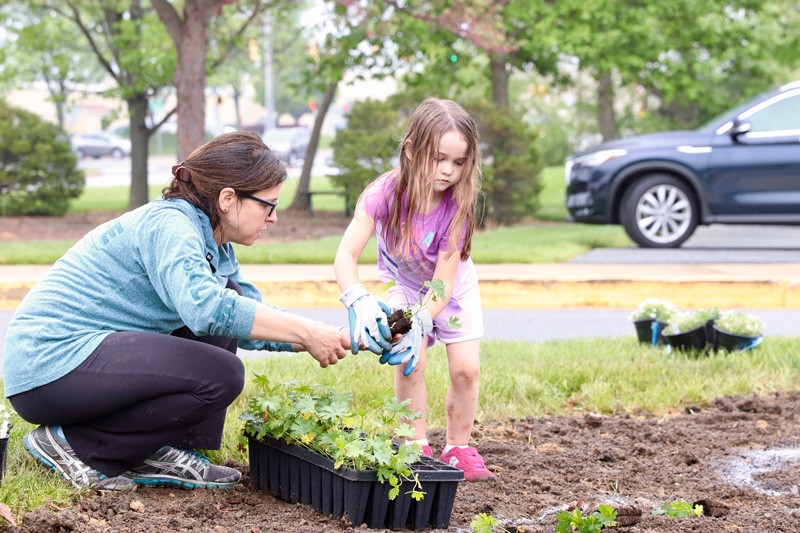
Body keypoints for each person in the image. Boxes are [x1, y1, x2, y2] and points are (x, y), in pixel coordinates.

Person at [3, 131, 350, 492]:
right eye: (269, 205)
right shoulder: (172, 226)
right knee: (222, 372)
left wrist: (332, 336)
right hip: (48, 365)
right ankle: (76, 445)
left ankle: (157, 451)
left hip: (83, 362)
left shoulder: (208, 236)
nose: (273, 218)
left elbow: (248, 312)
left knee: (227, 297)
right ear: (229, 198)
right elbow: (206, 310)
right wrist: (306, 332)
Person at [334, 97, 495, 482]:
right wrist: (355, 296)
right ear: (411, 150)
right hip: (404, 284)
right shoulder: (382, 194)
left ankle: (458, 447)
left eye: (459, 163)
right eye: (439, 158)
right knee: (412, 360)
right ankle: (411, 443)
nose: (448, 171)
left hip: (450, 288)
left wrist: (424, 319)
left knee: (467, 369)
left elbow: (443, 281)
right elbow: (345, 254)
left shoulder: (458, 206)